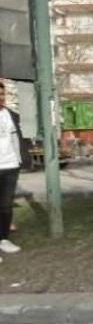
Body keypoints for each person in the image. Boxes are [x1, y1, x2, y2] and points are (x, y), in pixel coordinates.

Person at [0, 81, 30, 258]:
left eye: (3, 95)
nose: (1, 98)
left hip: (10, 166)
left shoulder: (10, 115)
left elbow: (18, 139)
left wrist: (21, 160)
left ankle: (3, 239)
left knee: (5, 207)